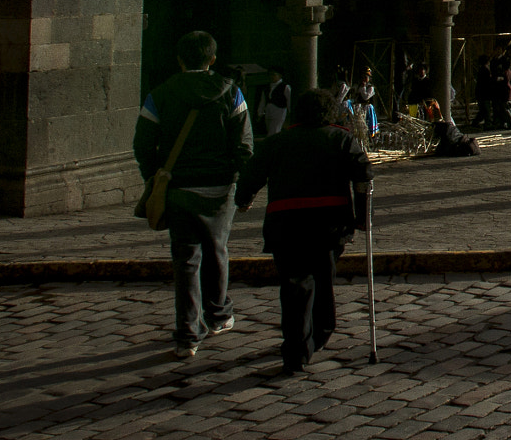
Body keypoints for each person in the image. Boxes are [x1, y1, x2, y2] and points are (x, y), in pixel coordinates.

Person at [134, 30, 254, 360]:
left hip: (178, 187)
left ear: (180, 59)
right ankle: (218, 314)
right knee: (217, 249)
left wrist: (155, 175)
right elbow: (244, 146)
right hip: (218, 188)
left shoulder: (160, 94)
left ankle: (187, 333)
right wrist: (243, 189)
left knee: (185, 259)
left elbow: (142, 145)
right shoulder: (232, 93)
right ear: (212, 59)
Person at [234, 88, 371, 375]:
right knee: (322, 279)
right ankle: (320, 331)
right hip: (328, 224)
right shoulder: (341, 139)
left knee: (294, 285)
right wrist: (361, 217)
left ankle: (295, 348)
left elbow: (251, 174)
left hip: (286, 224)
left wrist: (243, 199)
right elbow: (362, 175)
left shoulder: (277, 142)